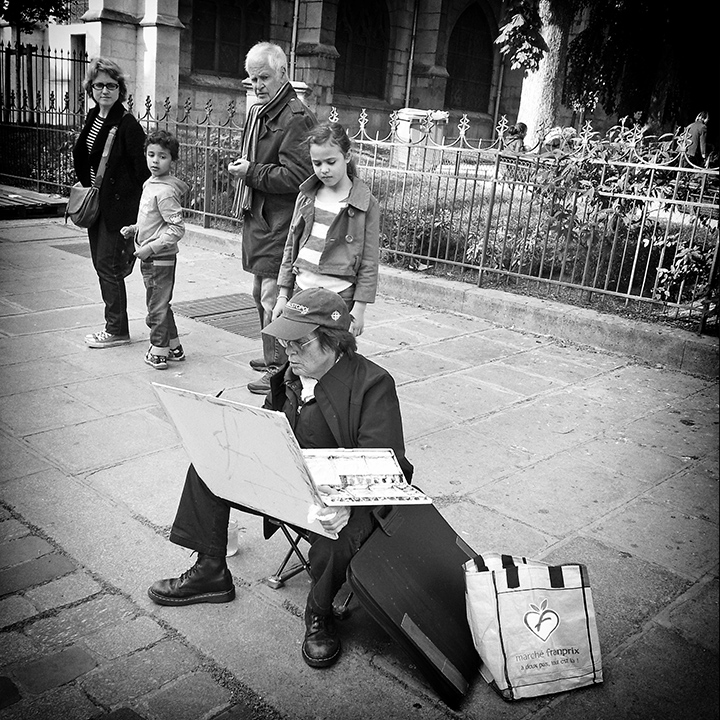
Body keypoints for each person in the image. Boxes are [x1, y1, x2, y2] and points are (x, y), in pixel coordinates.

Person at [147, 287, 413, 669]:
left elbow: (388, 465)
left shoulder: (373, 383)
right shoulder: (290, 374)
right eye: (284, 340)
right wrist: (224, 438)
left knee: (337, 533)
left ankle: (319, 614)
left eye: (299, 343)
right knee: (208, 468)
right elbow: (264, 429)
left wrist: (345, 501)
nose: (288, 350)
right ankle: (210, 571)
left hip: (343, 494)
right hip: (286, 479)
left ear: (334, 342)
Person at [228, 42, 316, 395]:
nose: (258, 85)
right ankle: (271, 354)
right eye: (253, 79)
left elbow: (299, 178)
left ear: (283, 73)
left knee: (272, 296)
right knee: (258, 292)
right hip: (262, 217)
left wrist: (251, 172)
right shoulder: (263, 110)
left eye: (264, 77)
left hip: (280, 221)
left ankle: (280, 371)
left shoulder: (294, 117)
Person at [273, 122, 379, 337]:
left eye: (331, 162)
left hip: (340, 294)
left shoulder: (365, 203)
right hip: (302, 289)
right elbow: (291, 246)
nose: (324, 169)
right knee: (298, 350)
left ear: (347, 156)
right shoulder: (306, 196)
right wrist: (283, 295)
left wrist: (359, 308)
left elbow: (369, 260)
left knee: (333, 356)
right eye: (317, 163)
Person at [72, 57, 150, 348]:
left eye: (111, 85)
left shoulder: (127, 125)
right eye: (99, 85)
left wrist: (136, 214)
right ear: (90, 88)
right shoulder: (94, 117)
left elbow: (142, 172)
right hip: (98, 203)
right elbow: (83, 155)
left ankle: (116, 329)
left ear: (121, 90)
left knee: (108, 266)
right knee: (102, 264)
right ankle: (115, 325)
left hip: (118, 209)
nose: (105, 90)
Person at [120, 129, 189, 370]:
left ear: (172, 160)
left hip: (160, 258)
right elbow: (153, 219)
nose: (155, 161)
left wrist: (150, 247)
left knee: (156, 306)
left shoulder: (166, 191)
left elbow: (177, 228)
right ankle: (174, 346)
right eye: (151, 155)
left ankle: (159, 350)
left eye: (162, 156)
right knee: (159, 303)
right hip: (149, 255)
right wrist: (136, 229)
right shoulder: (150, 183)